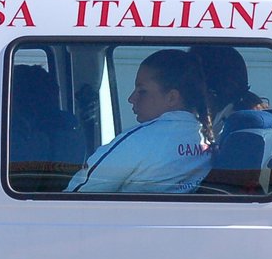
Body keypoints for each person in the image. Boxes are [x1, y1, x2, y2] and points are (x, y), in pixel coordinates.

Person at [66, 49, 210, 194]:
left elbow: (76, 195)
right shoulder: (205, 140)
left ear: (172, 97)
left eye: (142, 91)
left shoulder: (140, 141)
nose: (131, 98)